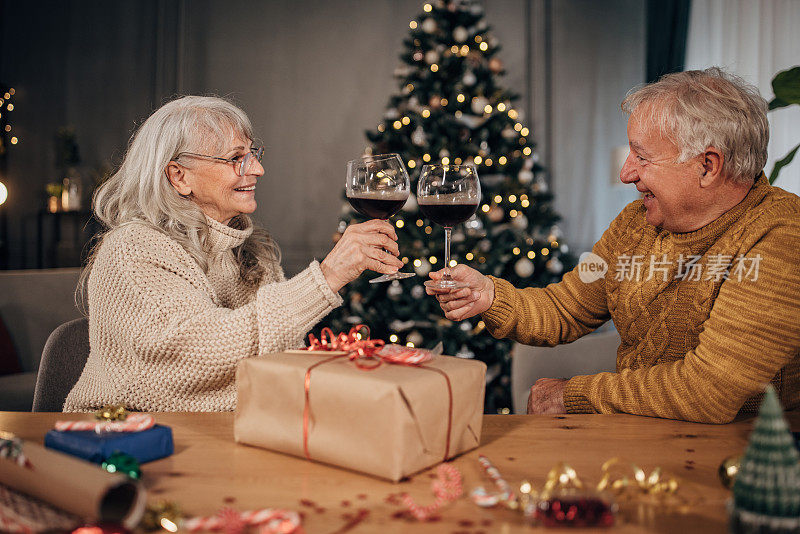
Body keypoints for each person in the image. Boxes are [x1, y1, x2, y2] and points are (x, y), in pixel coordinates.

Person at [428, 67, 800, 423]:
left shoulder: (781, 234)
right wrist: (489, 296)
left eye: (642, 156)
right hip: (639, 433)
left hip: (744, 457)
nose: (626, 174)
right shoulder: (635, 224)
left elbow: (707, 391)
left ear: (707, 166)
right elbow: (566, 307)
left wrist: (573, 395)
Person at [64, 96, 403, 412]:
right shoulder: (133, 250)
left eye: (253, 154)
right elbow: (201, 352)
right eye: (235, 158)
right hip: (125, 436)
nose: (257, 169)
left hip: (236, 429)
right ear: (179, 176)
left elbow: (277, 356)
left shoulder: (251, 250)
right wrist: (326, 277)